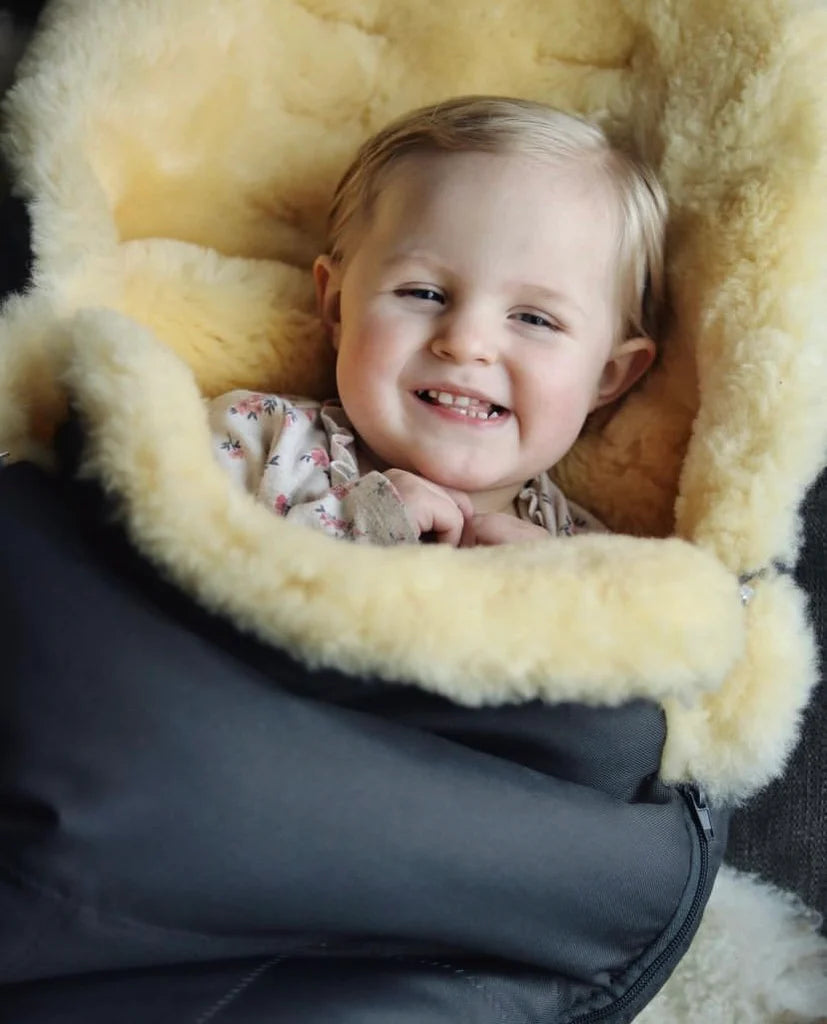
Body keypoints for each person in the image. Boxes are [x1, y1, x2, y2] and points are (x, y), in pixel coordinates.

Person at [208, 95, 667, 547]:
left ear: (608, 376)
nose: (466, 343)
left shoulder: (587, 563)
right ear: (336, 306)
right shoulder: (258, 442)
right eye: (424, 293)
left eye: (535, 319)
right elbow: (185, 557)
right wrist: (356, 526)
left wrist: (541, 598)